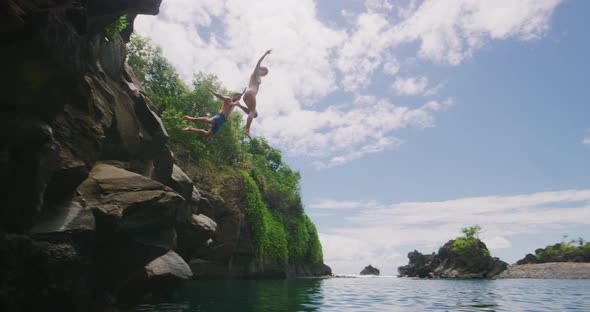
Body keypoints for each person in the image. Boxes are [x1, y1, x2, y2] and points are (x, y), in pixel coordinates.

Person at [241, 49, 271, 139]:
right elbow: (258, 62)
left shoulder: (257, 77)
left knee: (255, 114)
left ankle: (238, 105)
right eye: (264, 72)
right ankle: (247, 130)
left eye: (265, 74)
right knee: (253, 111)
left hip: (246, 95)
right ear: (260, 69)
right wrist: (265, 54)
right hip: (251, 93)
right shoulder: (255, 73)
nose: (264, 74)